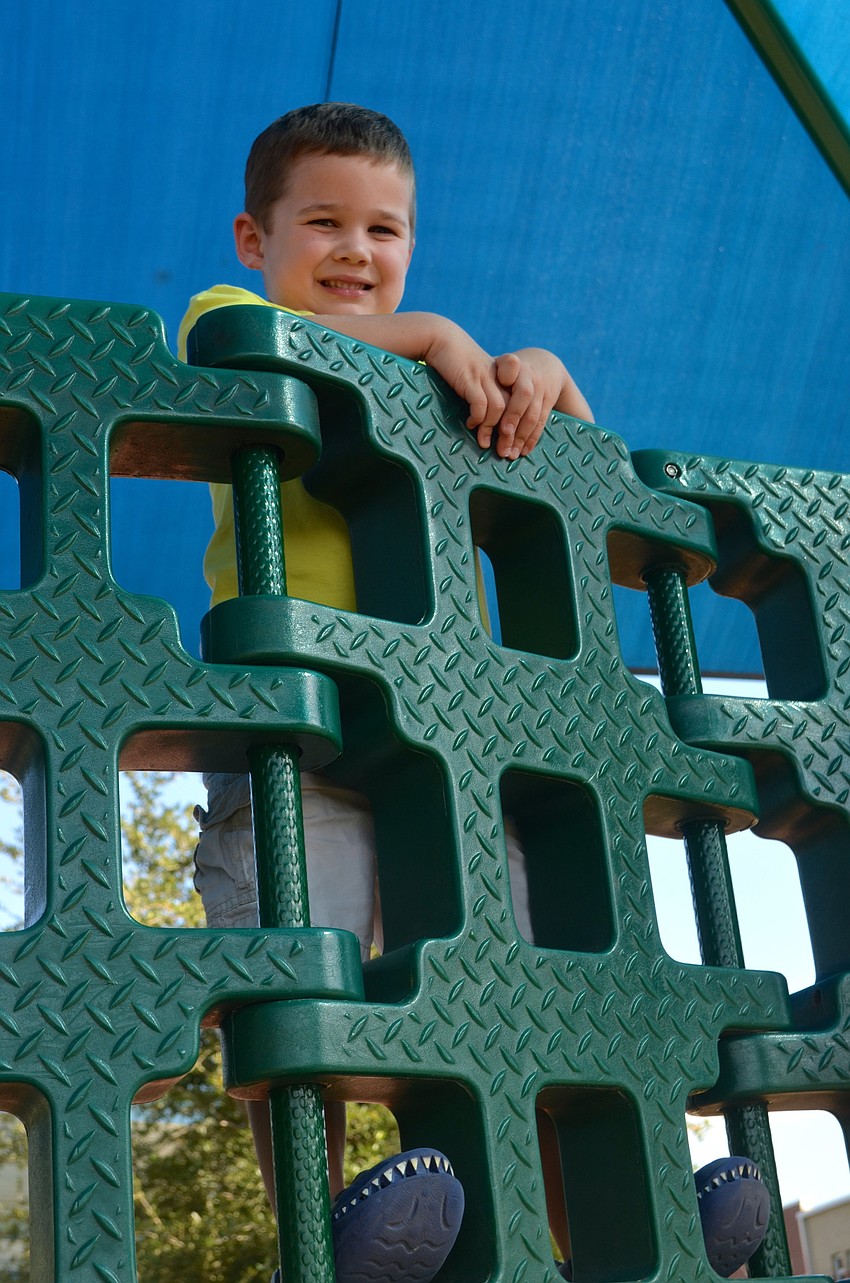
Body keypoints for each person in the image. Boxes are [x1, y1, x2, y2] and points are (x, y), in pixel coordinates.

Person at [180, 101, 768, 1283]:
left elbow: (579, 497)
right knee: (304, 982)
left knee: (523, 992)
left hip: (450, 737)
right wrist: (438, 329)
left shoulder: (439, 385)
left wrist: (545, 377)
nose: (357, 251)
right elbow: (250, 345)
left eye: (385, 229)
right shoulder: (230, 314)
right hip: (295, 736)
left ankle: (626, 1202)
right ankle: (329, 1228)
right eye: (324, 223)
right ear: (255, 239)